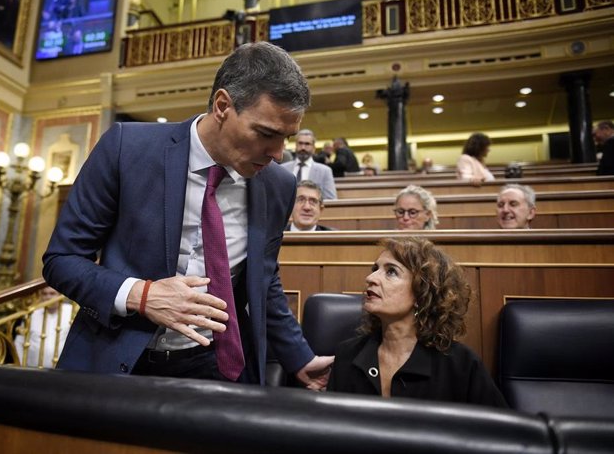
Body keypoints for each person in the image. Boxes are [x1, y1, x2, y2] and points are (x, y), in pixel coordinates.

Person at [42, 42, 333, 388]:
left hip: (216, 367)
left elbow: (264, 278)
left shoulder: (279, 185)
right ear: (223, 105)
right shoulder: (126, 147)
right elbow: (62, 258)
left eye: (286, 137)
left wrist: (299, 356)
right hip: (112, 361)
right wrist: (143, 295)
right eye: (266, 134)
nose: (277, 153)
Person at [327, 237, 507, 408]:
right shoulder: (347, 355)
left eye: (391, 271)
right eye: (375, 268)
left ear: (422, 292)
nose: (371, 278)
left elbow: (503, 434)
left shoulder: (461, 365)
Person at [14, 285, 74, 368]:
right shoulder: (32, 313)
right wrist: (21, 364)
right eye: (44, 294)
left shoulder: (71, 312)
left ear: (60, 295)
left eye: (52, 293)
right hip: (33, 369)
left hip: (63, 370)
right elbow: (19, 341)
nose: (48, 297)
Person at [281, 129, 337, 200]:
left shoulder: (325, 171)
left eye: (307, 144)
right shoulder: (283, 169)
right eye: (300, 143)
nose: (303, 147)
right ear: (295, 145)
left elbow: (330, 199)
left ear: (314, 148)